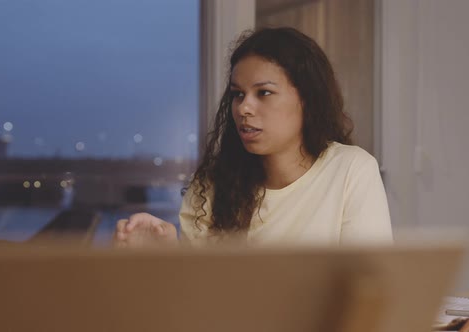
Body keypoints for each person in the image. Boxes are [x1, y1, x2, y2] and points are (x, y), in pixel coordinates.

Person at [114, 27, 392, 248]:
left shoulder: (351, 170)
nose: (244, 108)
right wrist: (165, 256)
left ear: (307, 99)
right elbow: (196, 300)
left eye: (264, 93)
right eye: (238, 94)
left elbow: (371, 287)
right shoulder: (210, 187)